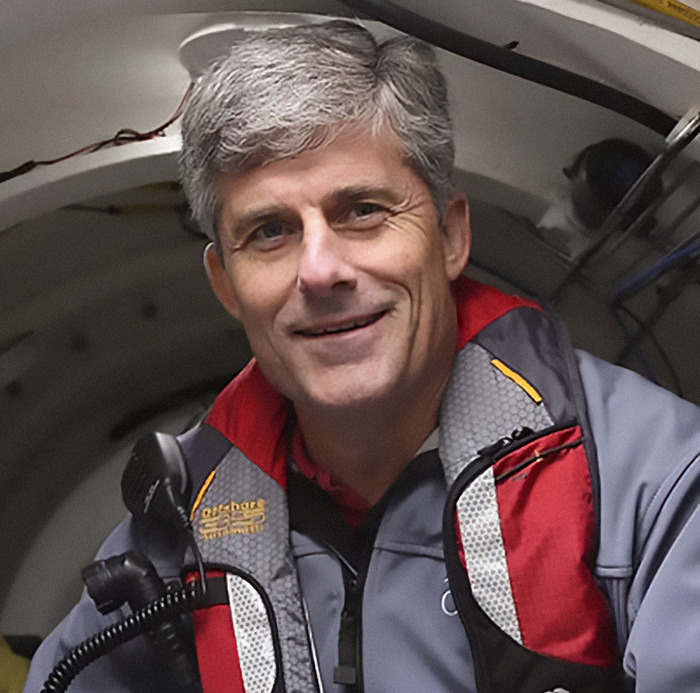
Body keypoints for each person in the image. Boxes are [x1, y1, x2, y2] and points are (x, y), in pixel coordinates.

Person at [24, 19, 700, 693]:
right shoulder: (177, 531)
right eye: (269, 231)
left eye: (363, 211)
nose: (320, 271)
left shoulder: (655, 485)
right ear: (226, 285)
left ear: (450, 237)